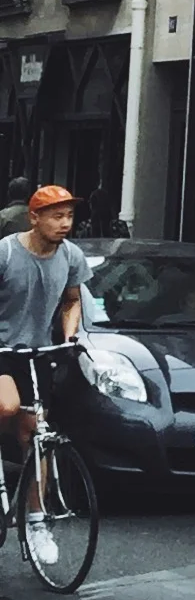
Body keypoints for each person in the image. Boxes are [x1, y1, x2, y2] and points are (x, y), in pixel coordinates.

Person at [0, 183, 85, 457]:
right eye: (57, 216)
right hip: (2, 347)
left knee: (36, 433)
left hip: (38, 352)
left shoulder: (71, 255)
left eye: (69, 216)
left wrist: (70, 336)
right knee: (6, 406)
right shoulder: (6, 252)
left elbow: (72, 300)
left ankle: (36, 501)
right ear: (34, 217)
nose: (65, 224)